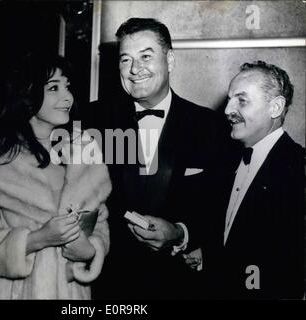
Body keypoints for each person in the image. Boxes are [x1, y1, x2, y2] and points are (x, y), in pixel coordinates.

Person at [82, 18, 229, 299]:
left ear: (170, 60)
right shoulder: (94, 120)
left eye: (146, 56)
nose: (135, 70)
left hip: (180, 286)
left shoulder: (210, 127)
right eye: (126, 60)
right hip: (107, 285)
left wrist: (181, 233)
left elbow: (221, 204)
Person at [0, 54, 111, 299]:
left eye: (68, 87)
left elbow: (100, 224)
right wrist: (37, 239)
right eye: (53, 88)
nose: (68, 97)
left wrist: (91, 249)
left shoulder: (84, 153)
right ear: (27, 94)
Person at [185, 61, 305, 299]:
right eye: (229, 99)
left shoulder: (299, 169)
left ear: (275, 107)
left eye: (242, 100)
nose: (228, 109)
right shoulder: (227, 162)